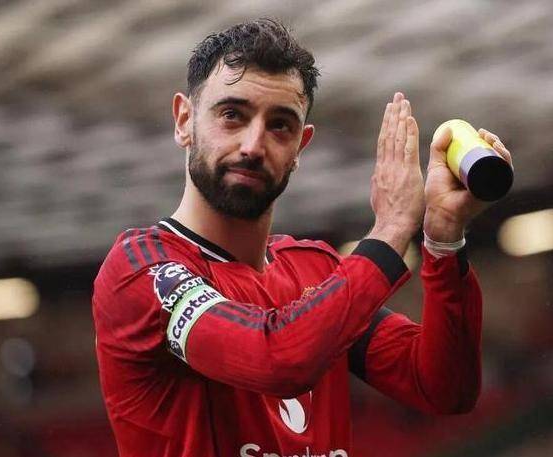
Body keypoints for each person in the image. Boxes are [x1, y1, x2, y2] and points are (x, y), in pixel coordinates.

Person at [92, 18, 512, 457]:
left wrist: (443, 240)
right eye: (232, 115)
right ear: (184, 121)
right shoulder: (143, 269)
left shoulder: (315, 270)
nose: (253, 145)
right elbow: (275, 360)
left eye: (280, 125)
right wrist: (389, 231)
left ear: (301, 147)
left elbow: (443, 388)